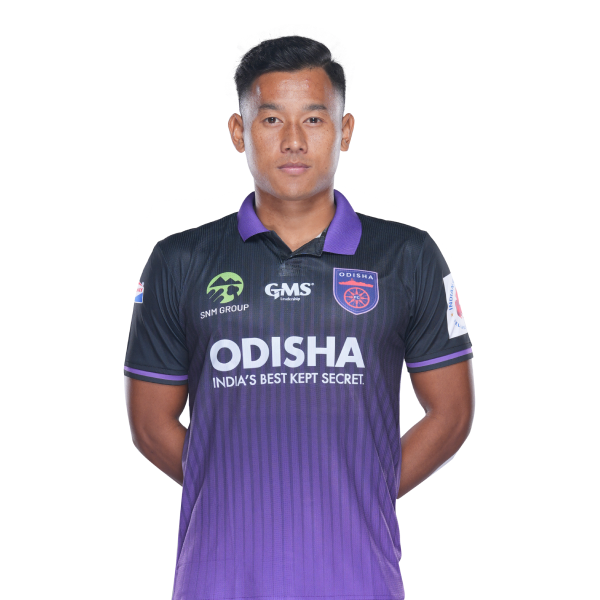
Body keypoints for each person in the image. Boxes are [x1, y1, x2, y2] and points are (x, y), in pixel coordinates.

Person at [124, 29, 475, 600]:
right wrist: (236, 490)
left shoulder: (408, 256)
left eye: (313, 119)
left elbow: (452, 413)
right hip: (216, 579)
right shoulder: (179, 260)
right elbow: (149, 424)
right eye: (271, 120)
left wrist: (357, 492)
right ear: (238, 132)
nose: (292, 141)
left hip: (359, 579)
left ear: (345, 130)